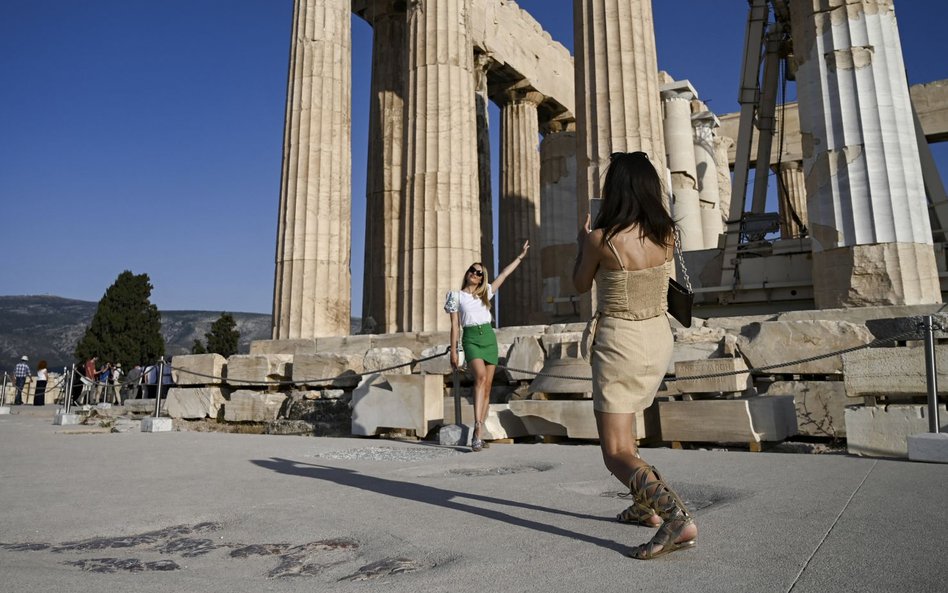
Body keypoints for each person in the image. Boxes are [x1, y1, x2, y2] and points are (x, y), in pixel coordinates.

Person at [572, 151, 697, 560]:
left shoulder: (601, 239)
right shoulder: (667, 235)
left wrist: (582, 241)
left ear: (615, 191)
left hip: (620, 342)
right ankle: (647, 509)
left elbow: (578, 284)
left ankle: (675, 516)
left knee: (615, 451)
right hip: (657, 339)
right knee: (630, 432)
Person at [444, 240, 530, 452]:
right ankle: (476, 428)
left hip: (488, 338)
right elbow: (455, 325)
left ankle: (479, 435)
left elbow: (503, 275)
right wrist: (453, 351)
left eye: (480, 273)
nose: (475, 274)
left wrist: (520, 257)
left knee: (488, 386)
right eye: (473, 271)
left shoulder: (486, 293)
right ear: (467, 273)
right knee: (480, 378)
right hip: (471, 339)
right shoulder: (455, 296)